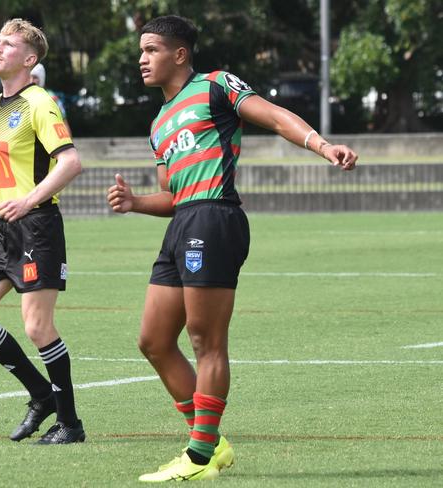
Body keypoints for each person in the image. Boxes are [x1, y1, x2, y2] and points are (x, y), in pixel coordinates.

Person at [107, 15, 357, 482]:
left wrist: (323, 146)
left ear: (179, 54)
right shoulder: (159, 122)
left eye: (152, 50)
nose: (142, 59)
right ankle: (212, 444)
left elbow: (275, 115)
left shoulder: (215, 86)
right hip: (183, 222)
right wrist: (137, 203)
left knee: (206, 342)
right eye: (141, 51)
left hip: (215, 217)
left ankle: (200, 457)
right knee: (154, 341)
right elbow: (174, 195)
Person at [0, 18, 85, 444]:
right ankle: (40, 395)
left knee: (37, 327)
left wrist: (28, 201)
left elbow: (70, 163)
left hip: (37, 227)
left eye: (8, 44)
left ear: (29, 59)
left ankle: (69, 423)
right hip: (2, 227)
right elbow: (5, 171)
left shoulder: (40, 102)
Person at [30, 63, 72, 135]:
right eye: (29, 77)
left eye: (35, 77)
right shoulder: (23, 96)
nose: (31, 80)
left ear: (41, 79)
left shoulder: (52, 97)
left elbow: (64, 121)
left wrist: (69, 144)